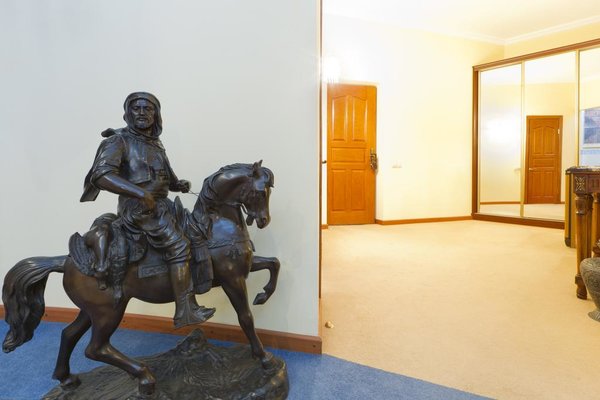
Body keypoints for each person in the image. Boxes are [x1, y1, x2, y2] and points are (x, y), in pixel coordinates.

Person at [80, 92, 215, 328]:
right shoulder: (118, 141)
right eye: (137, 108)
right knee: (179, 245)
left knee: (198, 231)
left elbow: (164, 176)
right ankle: (185, 310)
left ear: (156, 114)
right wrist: (140, 193)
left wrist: (178, 184)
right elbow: (101, 175)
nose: (142, 113)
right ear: (127, 113)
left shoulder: (155, 143)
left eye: (148, 108)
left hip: (162, 206)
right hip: (137, 209)